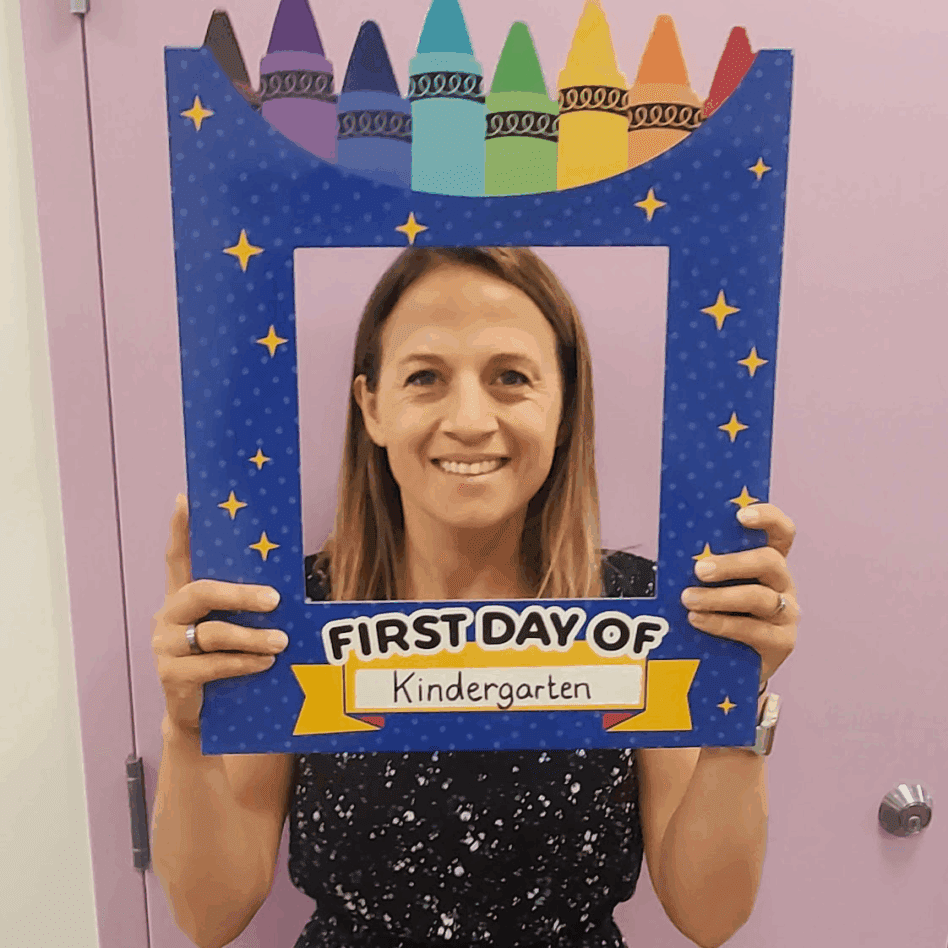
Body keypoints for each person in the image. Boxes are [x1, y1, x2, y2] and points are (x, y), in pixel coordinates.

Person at [151, 247, 800, 948]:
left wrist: (742, 697)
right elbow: (208, 916)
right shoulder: (291, 615)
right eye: (425, 376)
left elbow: (711, 916)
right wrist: (186, 727)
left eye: (511, 378)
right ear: (371, 406)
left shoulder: (643, 610)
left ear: (564, 403)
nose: (468, 418)